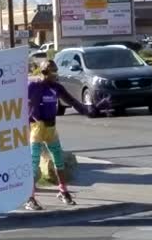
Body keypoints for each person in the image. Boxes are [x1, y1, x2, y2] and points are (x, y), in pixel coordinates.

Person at [25, 60, 109, 210]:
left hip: (51, 128)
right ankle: (30, 198)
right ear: (44, 72)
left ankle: (63, 191)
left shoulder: (56, 87)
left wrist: (93, 109)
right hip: (36, 128)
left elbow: (74, 102)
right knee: (34, 163)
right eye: (53, 73)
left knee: (59, 160)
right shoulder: (33, 86)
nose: (56, 76)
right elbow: (20, 104)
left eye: (57, 73)